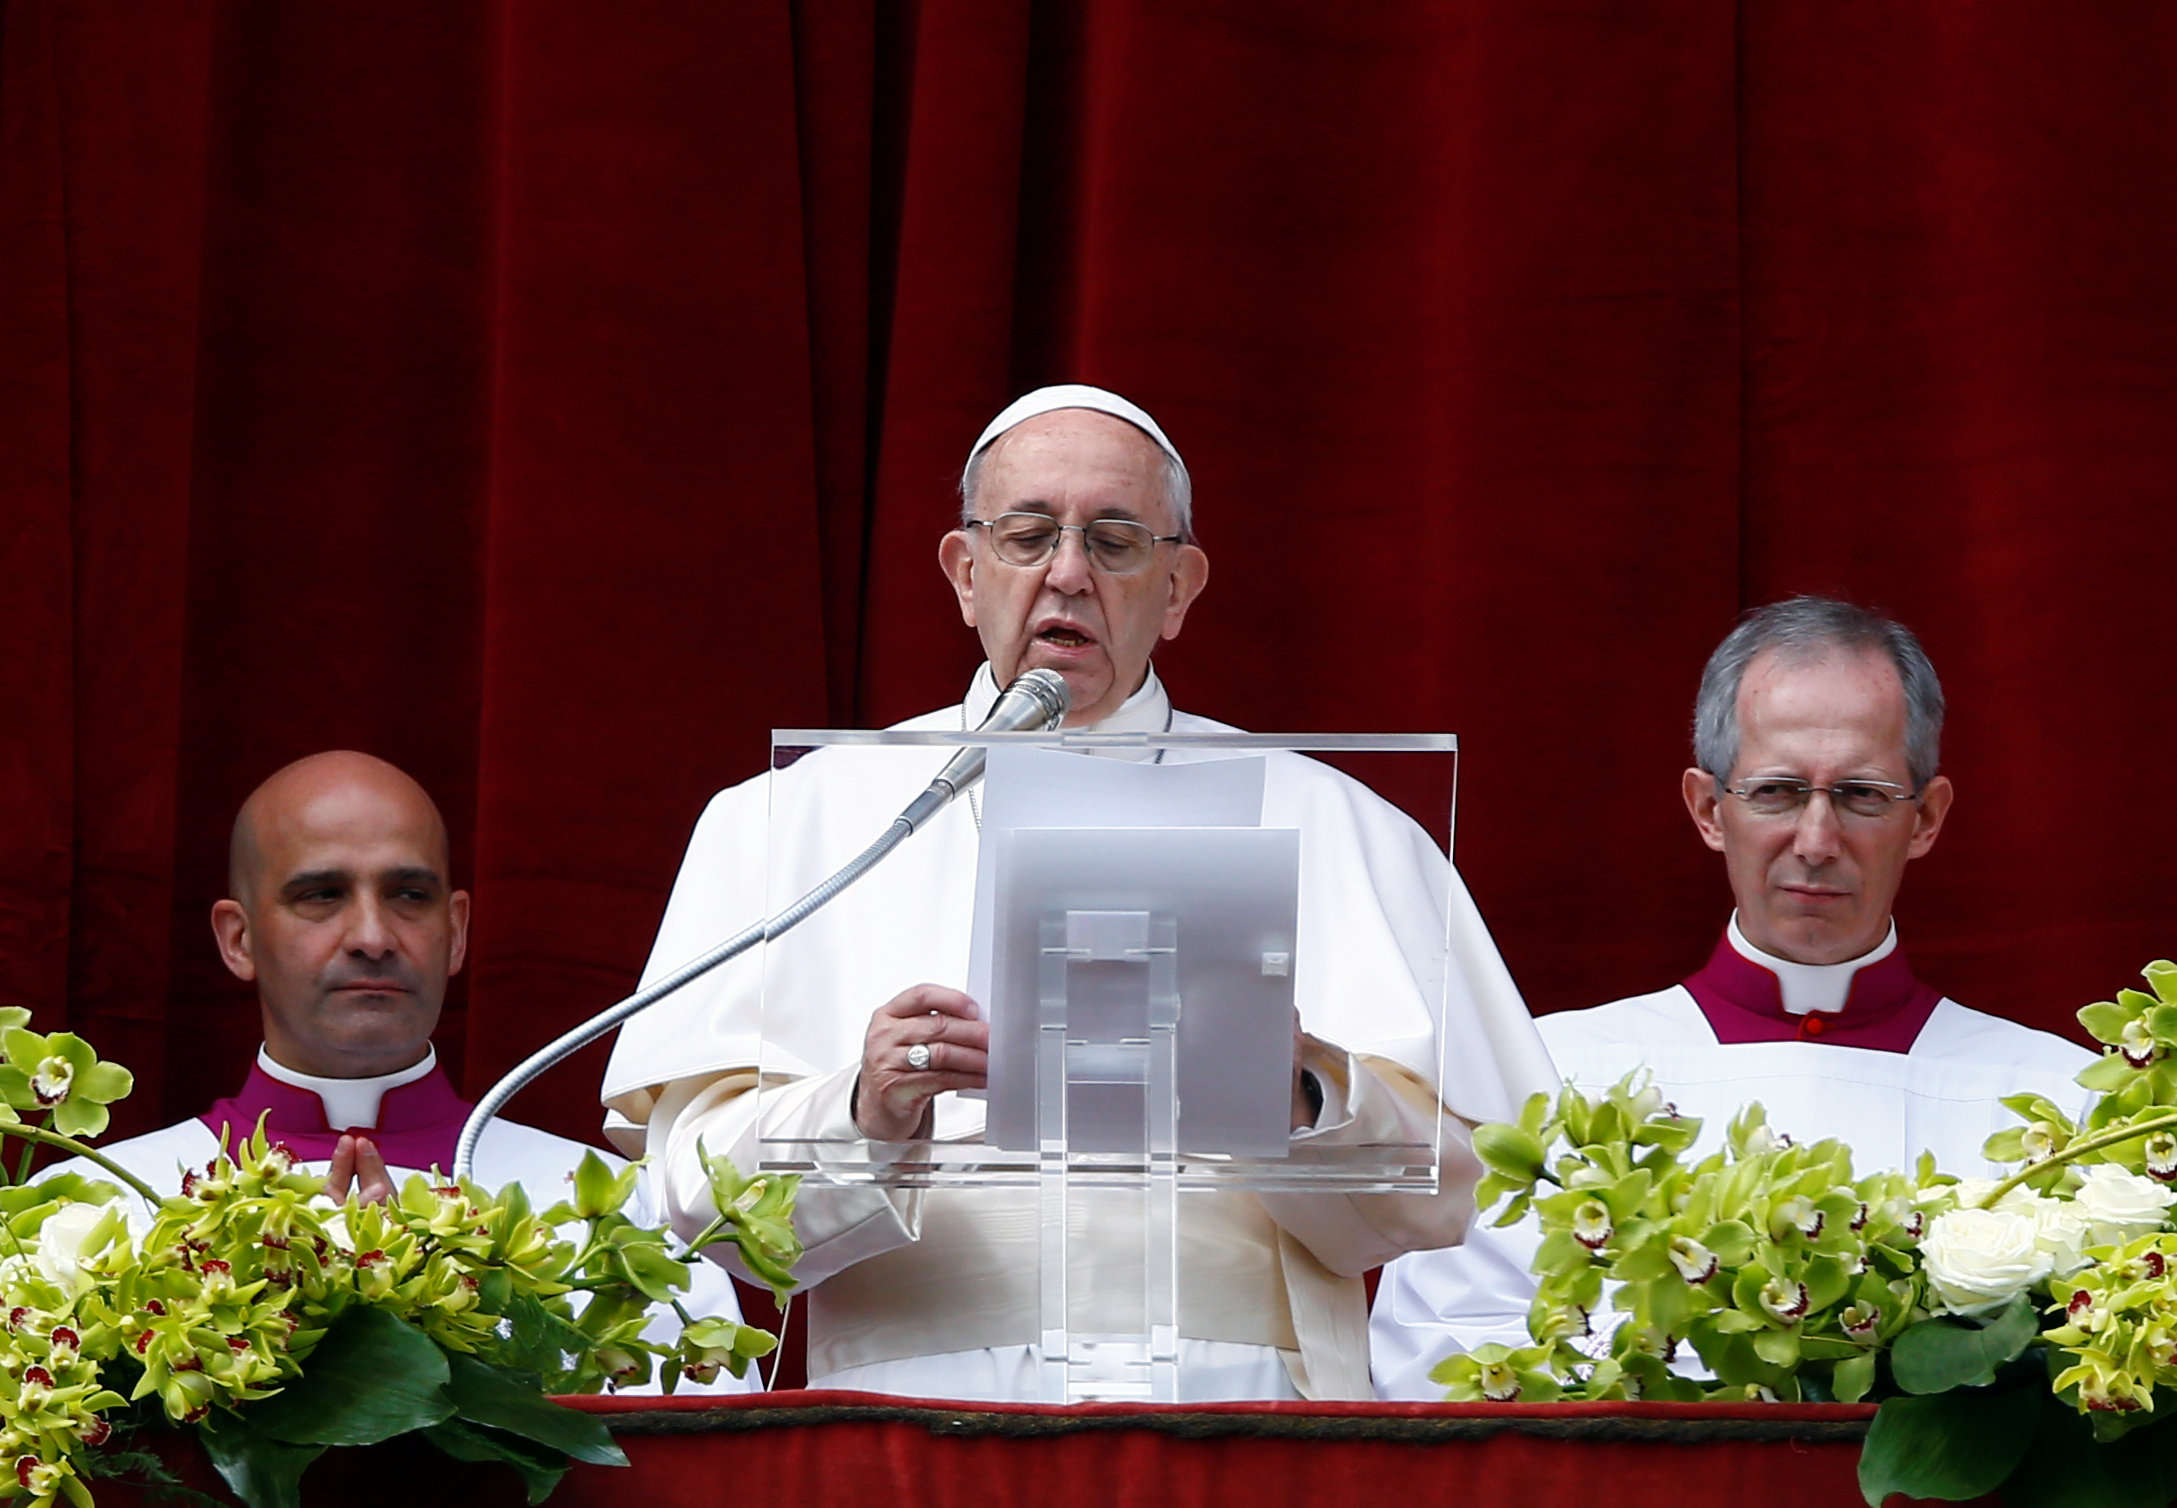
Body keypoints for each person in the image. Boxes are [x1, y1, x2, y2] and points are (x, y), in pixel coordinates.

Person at [602, 385, 1557, 1402]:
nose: (1067, 572)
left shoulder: (1337, 821)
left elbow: (1465, 1193)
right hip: (913, 1440)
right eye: (1025, 536)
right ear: (965, 573)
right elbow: (692, 1200)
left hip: (1244, 1432)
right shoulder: (789, 820)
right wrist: (864, 1107)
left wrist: (1300, 1089)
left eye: (1112, 540)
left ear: (1179, 585)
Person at [1369, 597, 2101, 1399]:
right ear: (1707, 809)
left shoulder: (2058, 1104)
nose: (1816, 842)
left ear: (1924, 818)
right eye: (1777, 793)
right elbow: (1440, 1376)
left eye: (1860, 795)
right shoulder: (1540, 1077)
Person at [48, 750, 749, 1394]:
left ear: (457, 931)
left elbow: (707, 1474)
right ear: (239, 939)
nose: (373, 938)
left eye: (408, 895)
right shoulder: (92, 1212)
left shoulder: (627, 1222)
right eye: (321, 895)